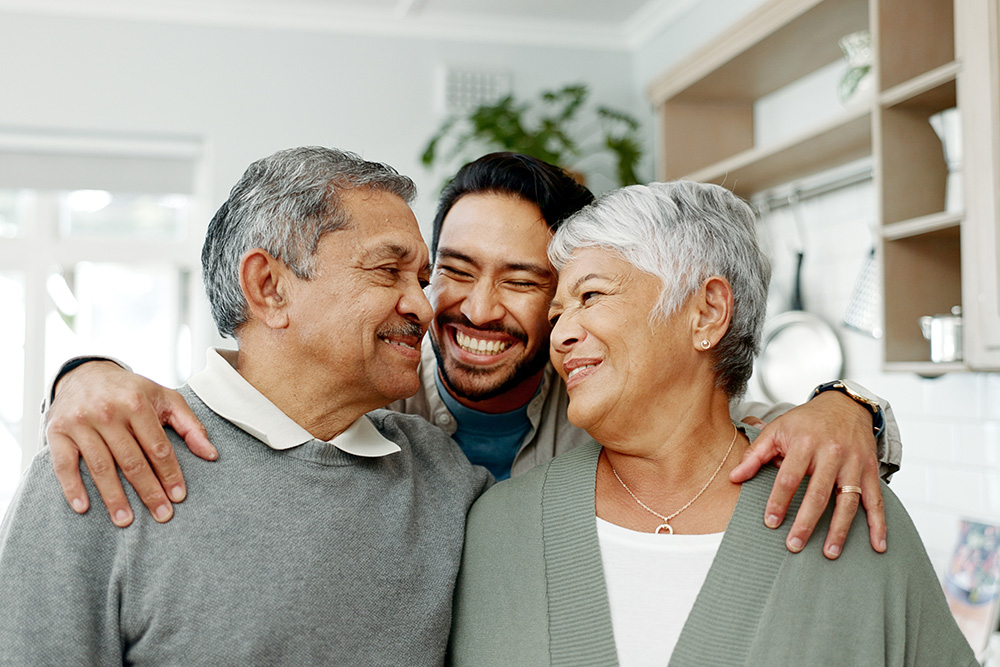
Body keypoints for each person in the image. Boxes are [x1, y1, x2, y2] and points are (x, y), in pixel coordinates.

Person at [46, 153, 899, 559]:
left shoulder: (601, 405)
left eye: (523, 282)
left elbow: (732, 435)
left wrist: (851, 408)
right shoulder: (377, 390)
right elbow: (252, 398)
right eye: (448, 270)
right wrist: (78, 374)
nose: (470, 308)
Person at [448, 180, 976, 666]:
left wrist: (849, 406)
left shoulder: (843, 510)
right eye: (557, 313)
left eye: (590, 296)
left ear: (706, 312)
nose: (559, 335)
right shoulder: (497, 527)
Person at [0, 147, 491, 664]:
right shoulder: (102, 464)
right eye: (389, 270)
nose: (422, 304)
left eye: (420, 279)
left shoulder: (443, 477)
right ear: (269, 288)